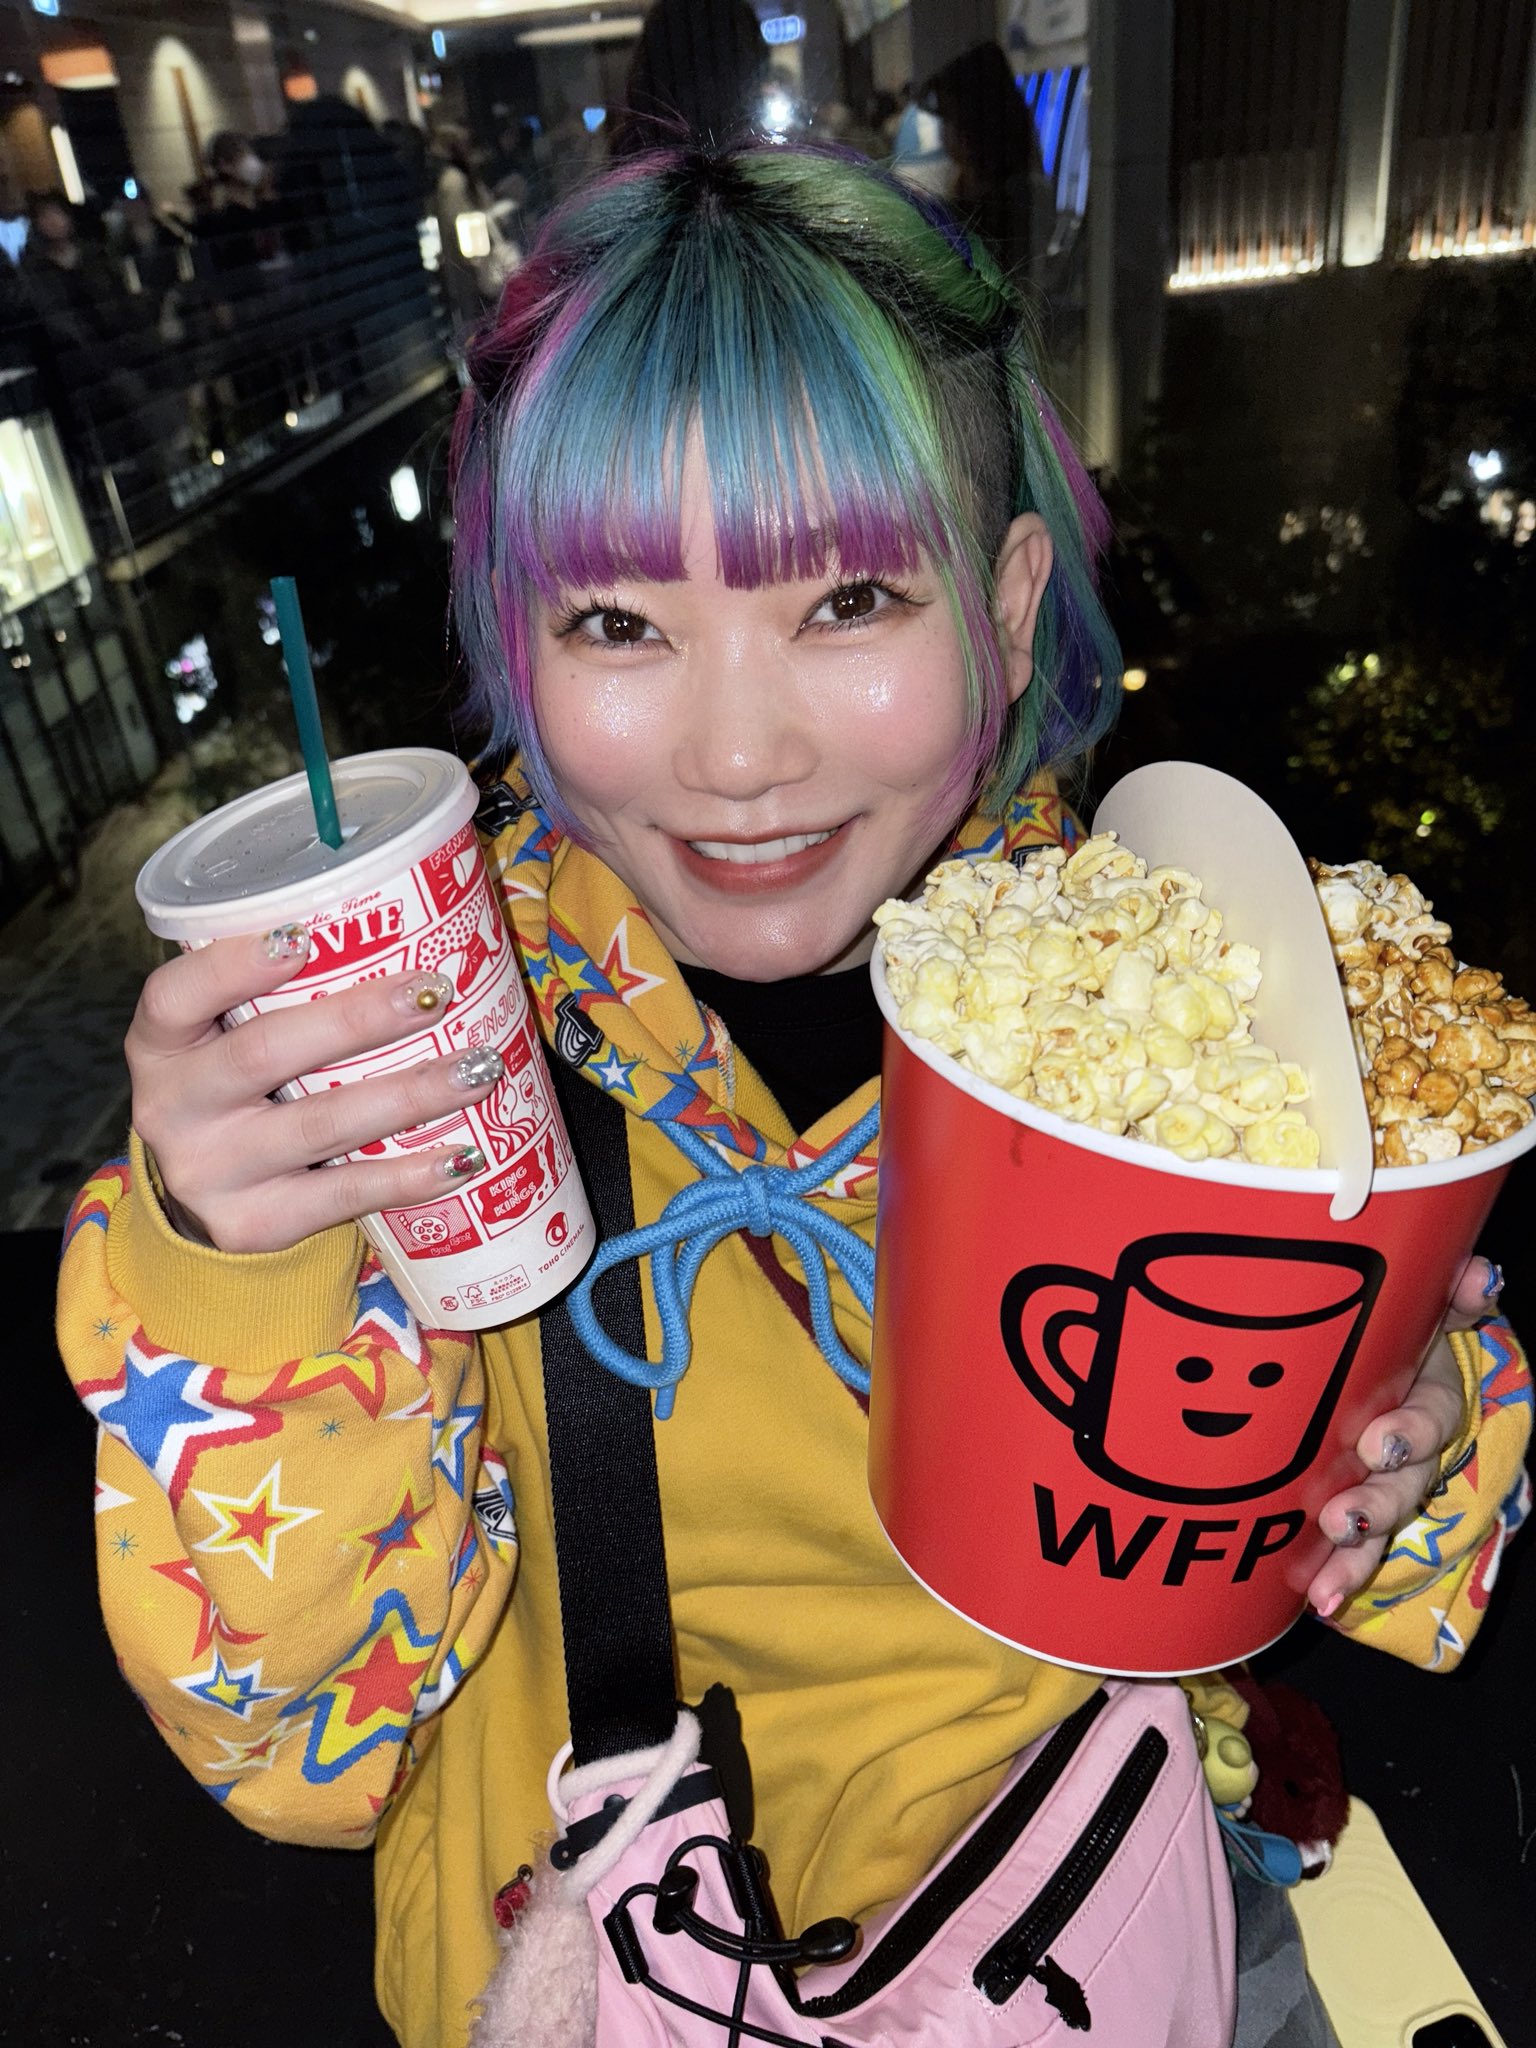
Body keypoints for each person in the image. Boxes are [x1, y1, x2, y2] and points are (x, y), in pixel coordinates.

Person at [58, 143, 1530, 2048]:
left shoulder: (1190, 1001)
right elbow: (297, 1749)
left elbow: (1402, 1565)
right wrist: (238, 1282)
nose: (740, 754)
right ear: (513, 643)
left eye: (848, 599)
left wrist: (1402, 1427)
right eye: (617, 623)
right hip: (610, 1958)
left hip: (1095, 1918)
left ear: (1008, 610)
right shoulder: (394, 1066)